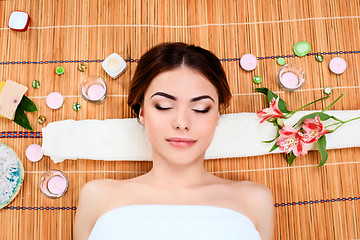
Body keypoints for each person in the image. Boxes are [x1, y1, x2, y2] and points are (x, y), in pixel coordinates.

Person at [74, 42, 274, 240]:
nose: (182, 123)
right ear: (142, 112)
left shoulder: (254, 200)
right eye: (163, 106)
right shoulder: (97, 197)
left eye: (201, 108)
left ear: (217, 116)